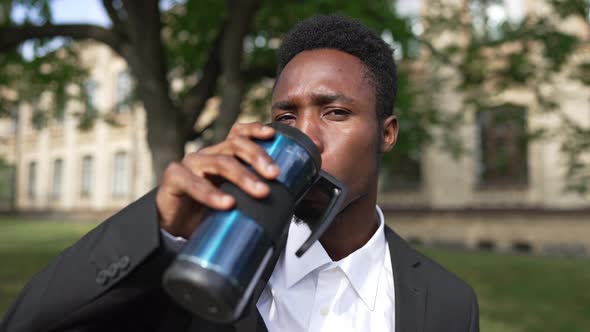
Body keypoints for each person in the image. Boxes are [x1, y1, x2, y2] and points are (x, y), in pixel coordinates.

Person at [0, 15, 479, 332]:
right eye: (286, 117)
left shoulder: (449, 303)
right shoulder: (205, 264)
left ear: (387, 132)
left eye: (334, 113)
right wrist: (159, 226)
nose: (306, 137)